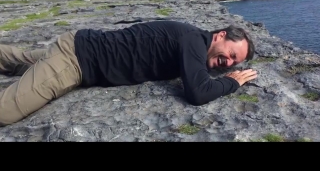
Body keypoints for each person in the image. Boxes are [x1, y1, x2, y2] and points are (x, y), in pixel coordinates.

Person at [0, 21, 257, 126]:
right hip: (76, 60)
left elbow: (196, 77)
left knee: (17, 60)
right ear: (220, 35)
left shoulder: (194, 43)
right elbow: (198, 92)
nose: (228, 63)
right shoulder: (195, 41)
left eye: (234, 65)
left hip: (75, 47)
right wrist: (231, 83)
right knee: (6, 111)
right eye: (232, 54)